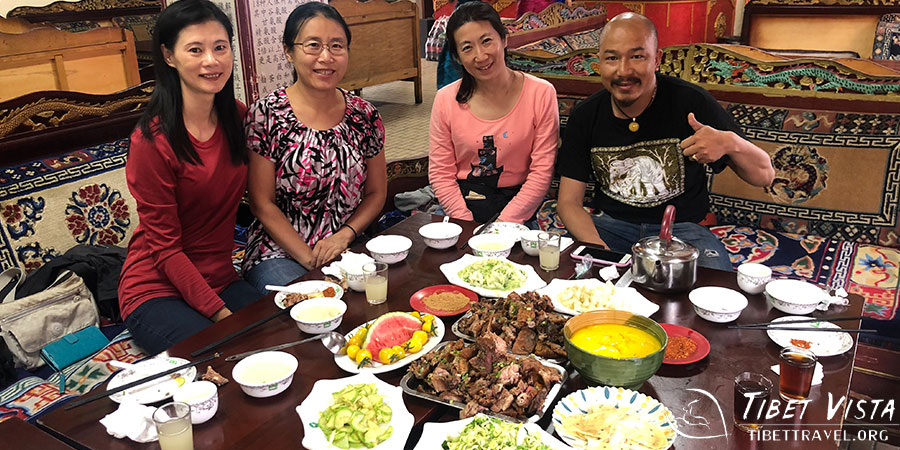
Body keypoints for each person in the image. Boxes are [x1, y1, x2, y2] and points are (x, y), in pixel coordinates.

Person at [556, 12, 774, 270]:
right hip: (610, 227)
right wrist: (600, 254)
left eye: (637, 56)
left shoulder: (691, 102)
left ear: (657, 59)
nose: (623, 71)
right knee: (568, 278)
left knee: (714, 288)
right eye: (612, 58)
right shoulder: (586, 115)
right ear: (599, 63)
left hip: (682, 231)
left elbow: (765, 176)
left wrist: (729, 142)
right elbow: (568, 203)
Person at [118, 0, 263, 355]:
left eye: (220, 47)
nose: (211, 61)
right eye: (195, 50)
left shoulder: (237, 117)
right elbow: (165, 249)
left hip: (221, 278)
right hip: (155, 289)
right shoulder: (151, 141)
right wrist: (222, 316)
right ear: (169, 56)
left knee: (282, 337)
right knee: (226, 359)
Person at [241, 2, 387, 293]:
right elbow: (261, 203)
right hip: (279, 251)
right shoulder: (266, 115)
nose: (326, 57)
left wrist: (344, 235)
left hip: (348, 245)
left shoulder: (364, 115)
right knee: (314, 304)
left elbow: (376, 193)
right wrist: (310, 260)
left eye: (336, 46)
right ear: (288, 51)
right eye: (313, 45)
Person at [429, 1, 559, 225]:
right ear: (457, 57)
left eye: (486, 41)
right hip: (463, 202)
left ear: (504, 39)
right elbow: (441, 173)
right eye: (467, 48)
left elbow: (541, 173)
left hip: (522, 204)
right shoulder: (445, 99)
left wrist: (501, 227)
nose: (480, 56)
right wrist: (466, 224)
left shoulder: (541, 93)